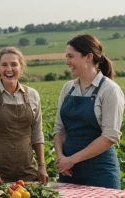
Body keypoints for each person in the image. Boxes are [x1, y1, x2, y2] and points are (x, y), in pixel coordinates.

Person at [53, 34, 124, 189]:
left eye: (71, 56)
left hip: (99, 172)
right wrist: (61, 158)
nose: (67, 62)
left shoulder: (109, 90)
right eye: (66, 57)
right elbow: (59, 129)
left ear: (89, 57)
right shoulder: (68, 89)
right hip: (68, 171)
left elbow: (109, 136)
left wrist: (72, 159)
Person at [0, 47, 48, 186]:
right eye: (4, 65)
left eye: (14, 64)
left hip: (27, 172)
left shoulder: (33, 95)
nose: (9, 69)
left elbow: (37, 133)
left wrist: (42, 166)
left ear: (21, 68)